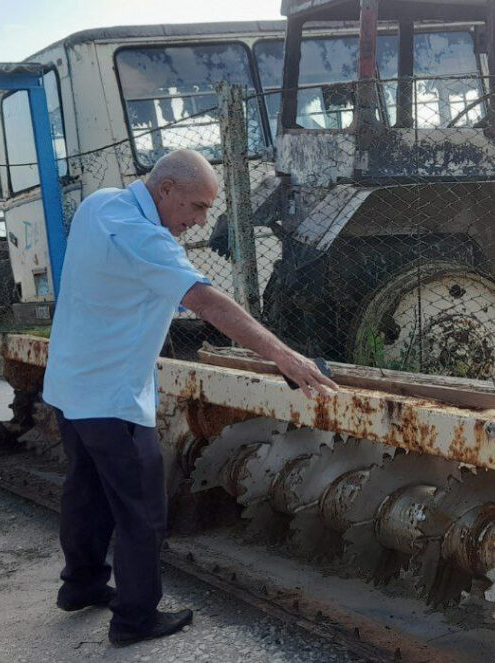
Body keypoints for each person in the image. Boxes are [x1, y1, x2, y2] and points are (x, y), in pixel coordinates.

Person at [41, 149, 338, 646]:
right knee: (142, 512)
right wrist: (286, 358)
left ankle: (81, 586)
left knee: (85, 493)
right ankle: (134, 619)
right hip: (111, 399)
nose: (200, 222)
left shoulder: (99, 205)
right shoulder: (147, 238)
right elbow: (207, 301)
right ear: (165, 191)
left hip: (69, 387)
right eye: (197, 207)